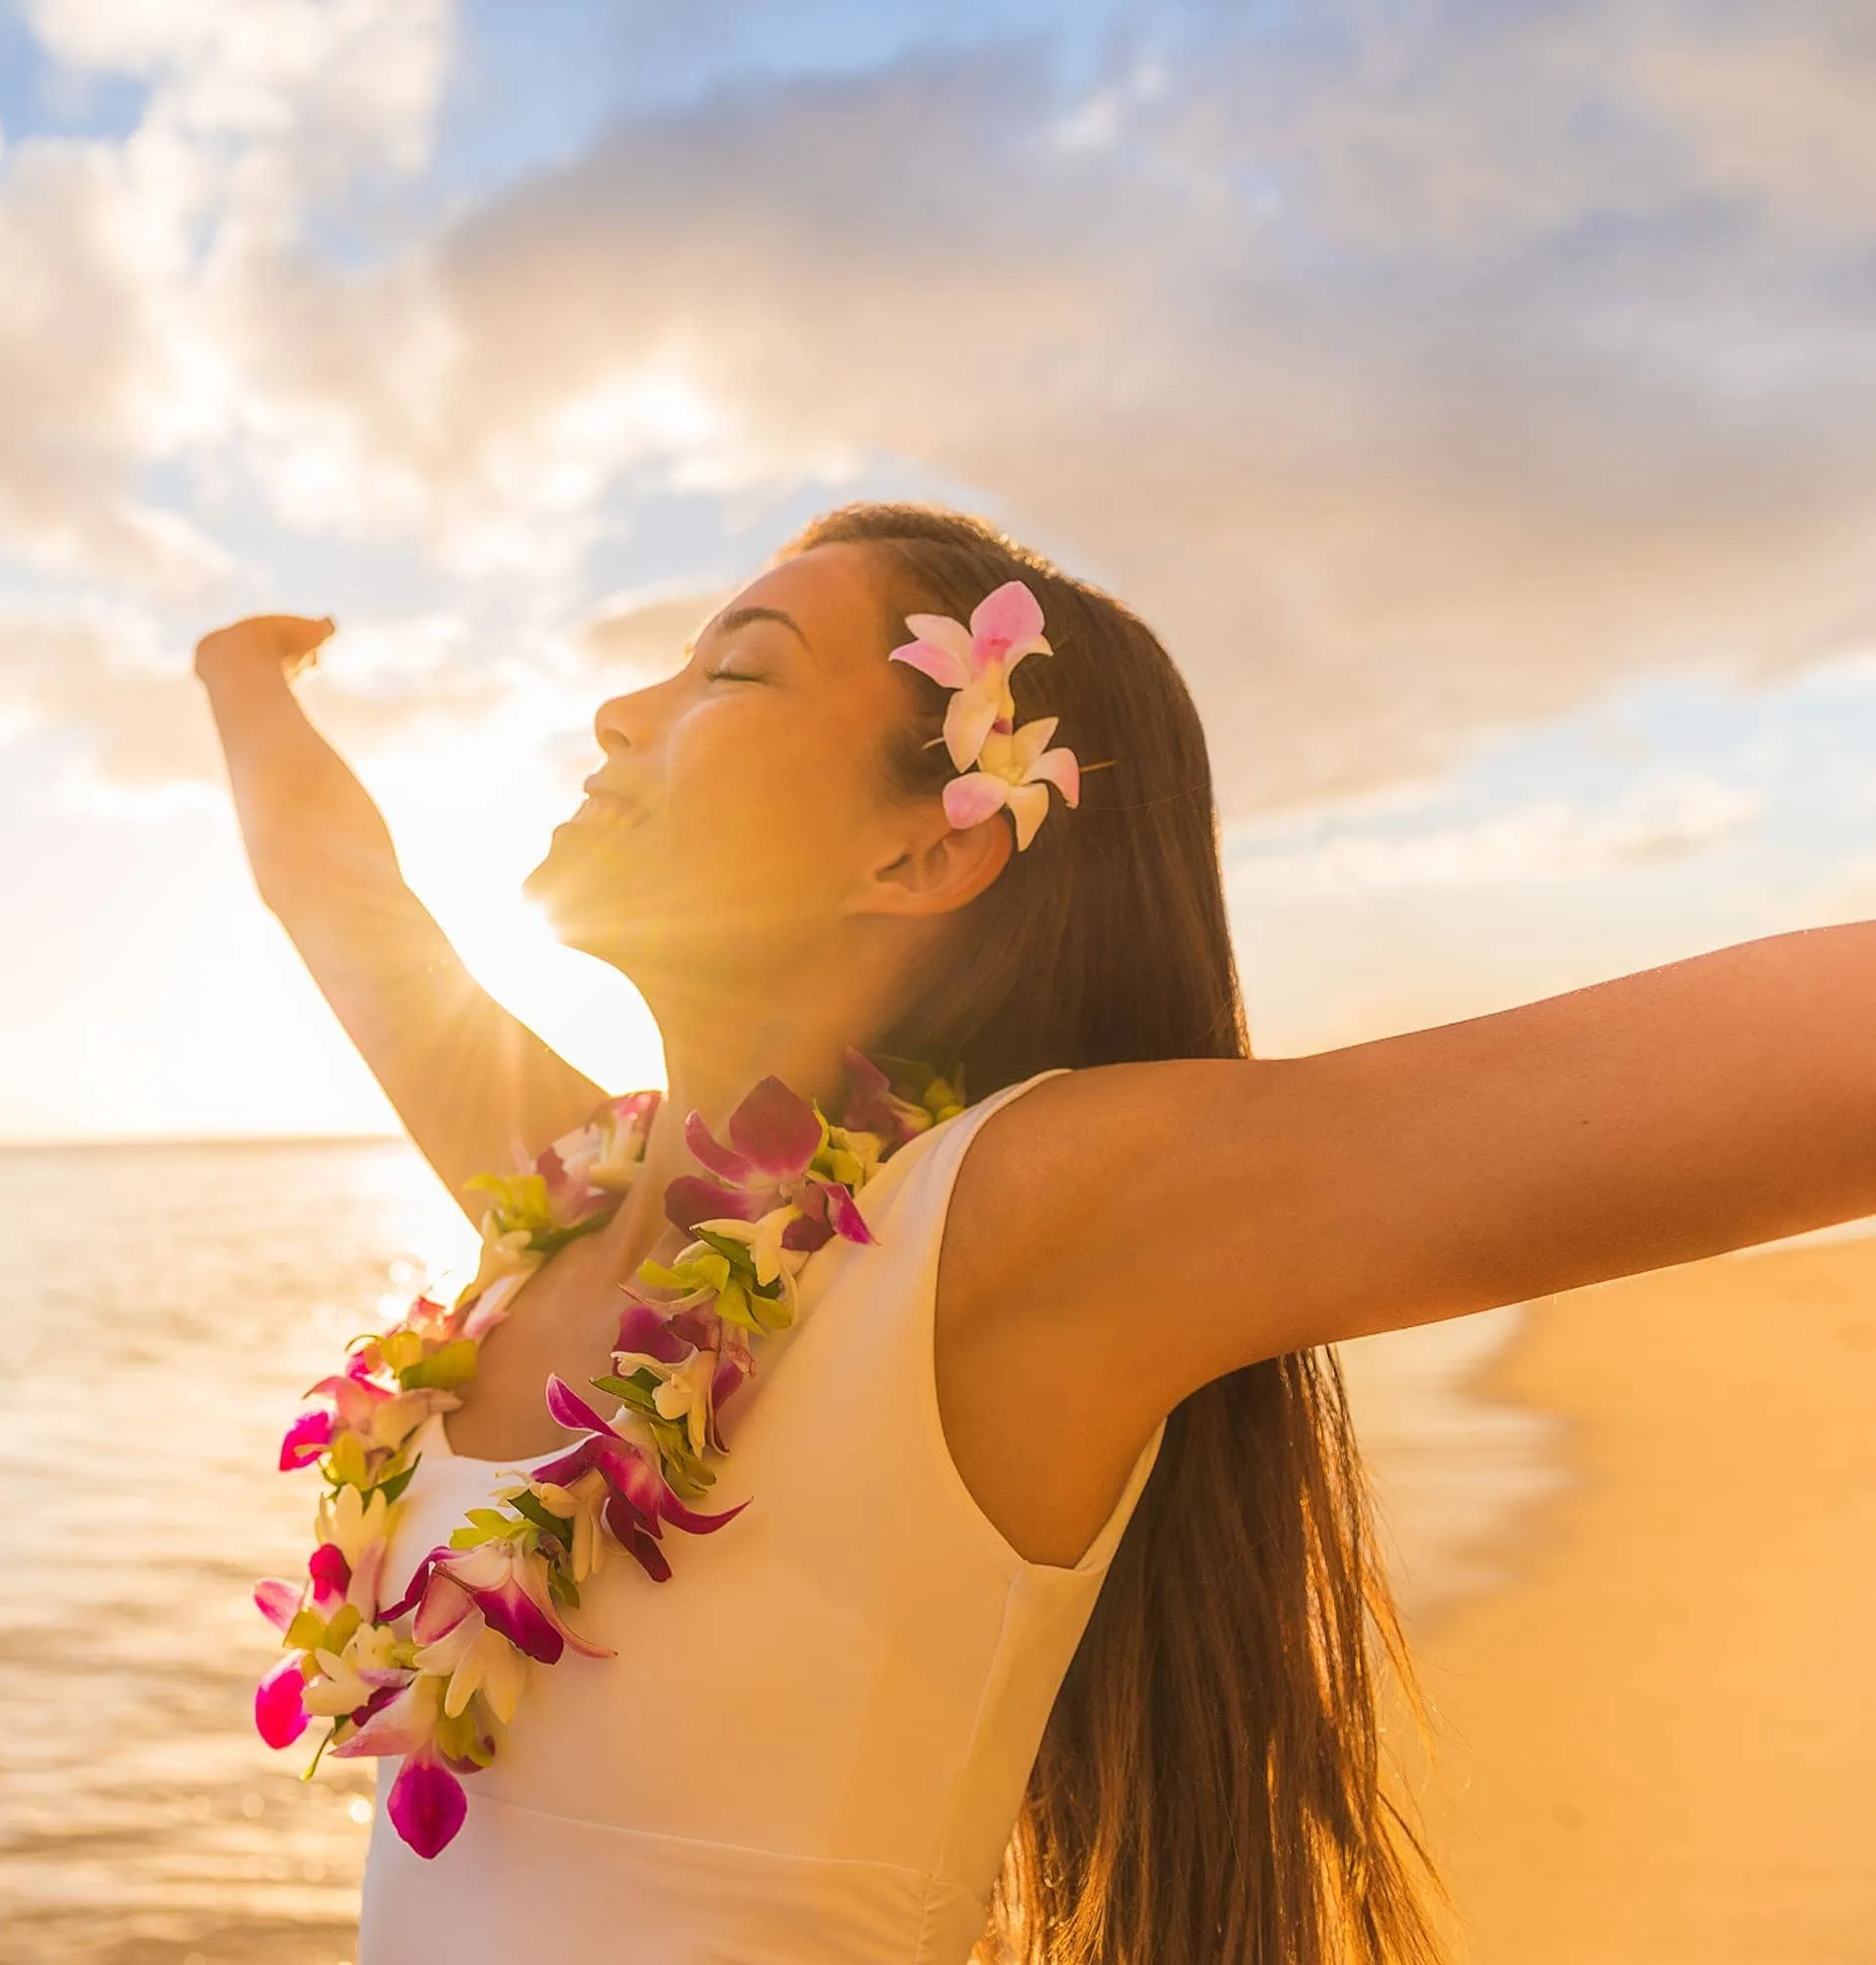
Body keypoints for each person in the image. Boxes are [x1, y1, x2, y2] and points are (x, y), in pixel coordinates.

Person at [192, 503, 1876, 1965]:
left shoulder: (1014, 1231)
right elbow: (338, 899)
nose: (620, 711)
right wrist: (239, 677)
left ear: (928, 846)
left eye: (734, 668)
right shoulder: (558, 1194)